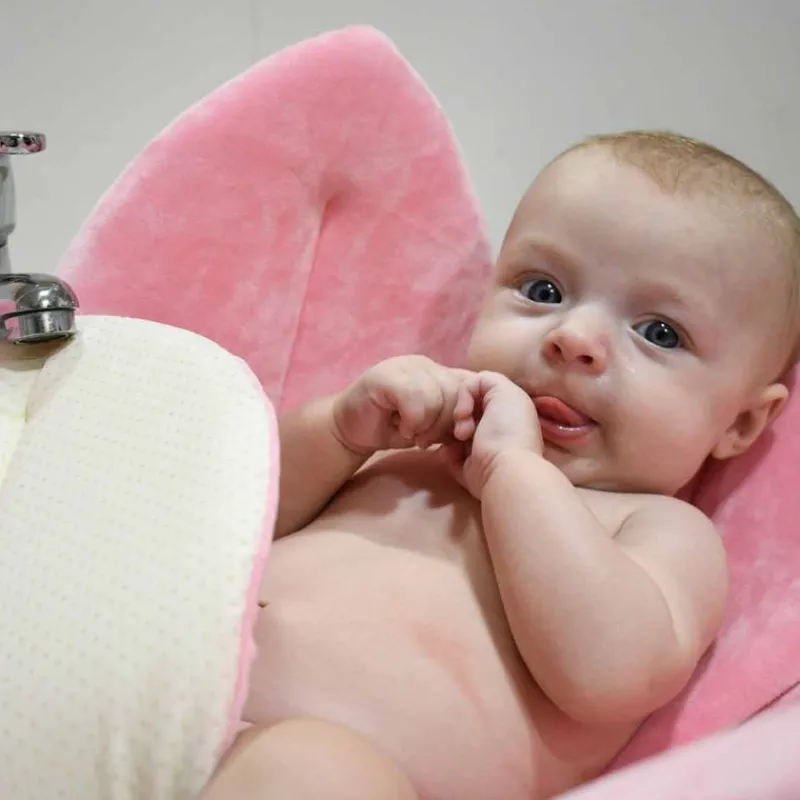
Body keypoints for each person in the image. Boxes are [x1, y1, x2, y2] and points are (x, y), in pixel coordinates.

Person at [202, 130, 800, 800]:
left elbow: (608, 673)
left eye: (659, 332)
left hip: (331, 776)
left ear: (741, 423)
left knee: (315, 772)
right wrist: (338, 430)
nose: (573, 339)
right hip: (159, 692)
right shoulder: (411, 442)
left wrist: (514, 472)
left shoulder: (657, 531)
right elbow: (224, 516)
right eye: (543, 289)